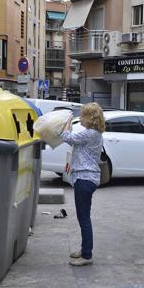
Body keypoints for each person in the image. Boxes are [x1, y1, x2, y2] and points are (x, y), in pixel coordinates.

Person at [59, 103, 105, 266]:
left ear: (90, 118)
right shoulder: (94, 134)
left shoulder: (90, 133)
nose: (81, 118)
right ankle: (85, 249)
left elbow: (66, 137)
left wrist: (65, 123)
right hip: (86, 178)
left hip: (85, 179)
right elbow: (73, 141)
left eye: (83, 115)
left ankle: (87, 255)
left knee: (84, 218)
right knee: (83, 217)